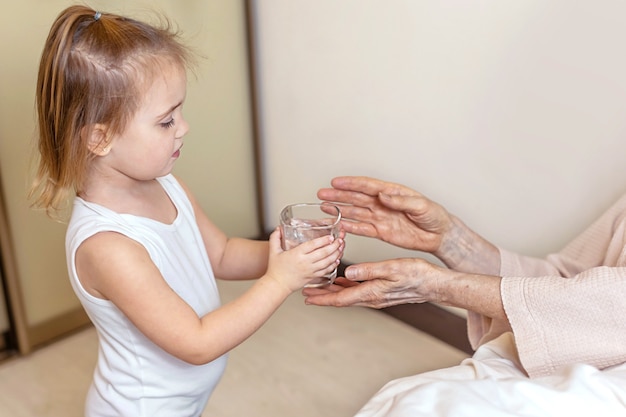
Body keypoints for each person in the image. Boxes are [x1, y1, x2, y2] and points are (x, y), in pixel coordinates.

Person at [29, 6, 343, 417]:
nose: (183, 126)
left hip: (182, 403)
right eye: (165, 121)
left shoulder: (168, 187)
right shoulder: (108, 246)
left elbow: (223, 254)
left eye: (179, 111)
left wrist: (288, 251)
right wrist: (280, 281)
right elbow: (196, 342)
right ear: (100, 138)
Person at [303, 176, 626, 416]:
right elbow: (571, 284)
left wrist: (439, 286)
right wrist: (454, 241)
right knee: (412, 399)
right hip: (578, 356)